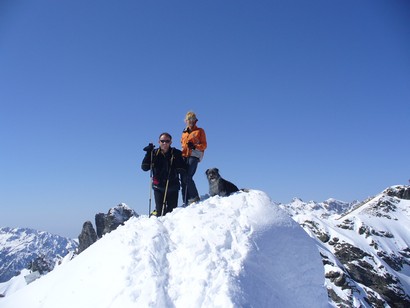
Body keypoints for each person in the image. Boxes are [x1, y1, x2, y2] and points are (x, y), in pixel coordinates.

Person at [141, 133, 186, 217]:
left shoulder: (175, 153)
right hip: (158, 187)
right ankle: (155, 212)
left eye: (167, 141)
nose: (164, 143)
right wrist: (148, 153)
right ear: (159, 142)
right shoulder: (154, 153)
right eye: (162, 141)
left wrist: (178, 159)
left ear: (170, 142)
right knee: (160, 212)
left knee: (171, 213)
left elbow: (182, 170)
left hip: (172, 186)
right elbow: (144, 167)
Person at [180, 111, 207, 205]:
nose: (191, 121)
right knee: (183, 178)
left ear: (195, 120)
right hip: (184, 156)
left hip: (194, 155)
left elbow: (204, 145)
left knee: (188, 177)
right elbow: (182, 144)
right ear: (185, 120)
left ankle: (195, 197)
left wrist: (195, 146)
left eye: (193, 119)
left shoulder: (200, 131)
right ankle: (186, 201)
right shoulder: (184, 132)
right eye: (189, 119)